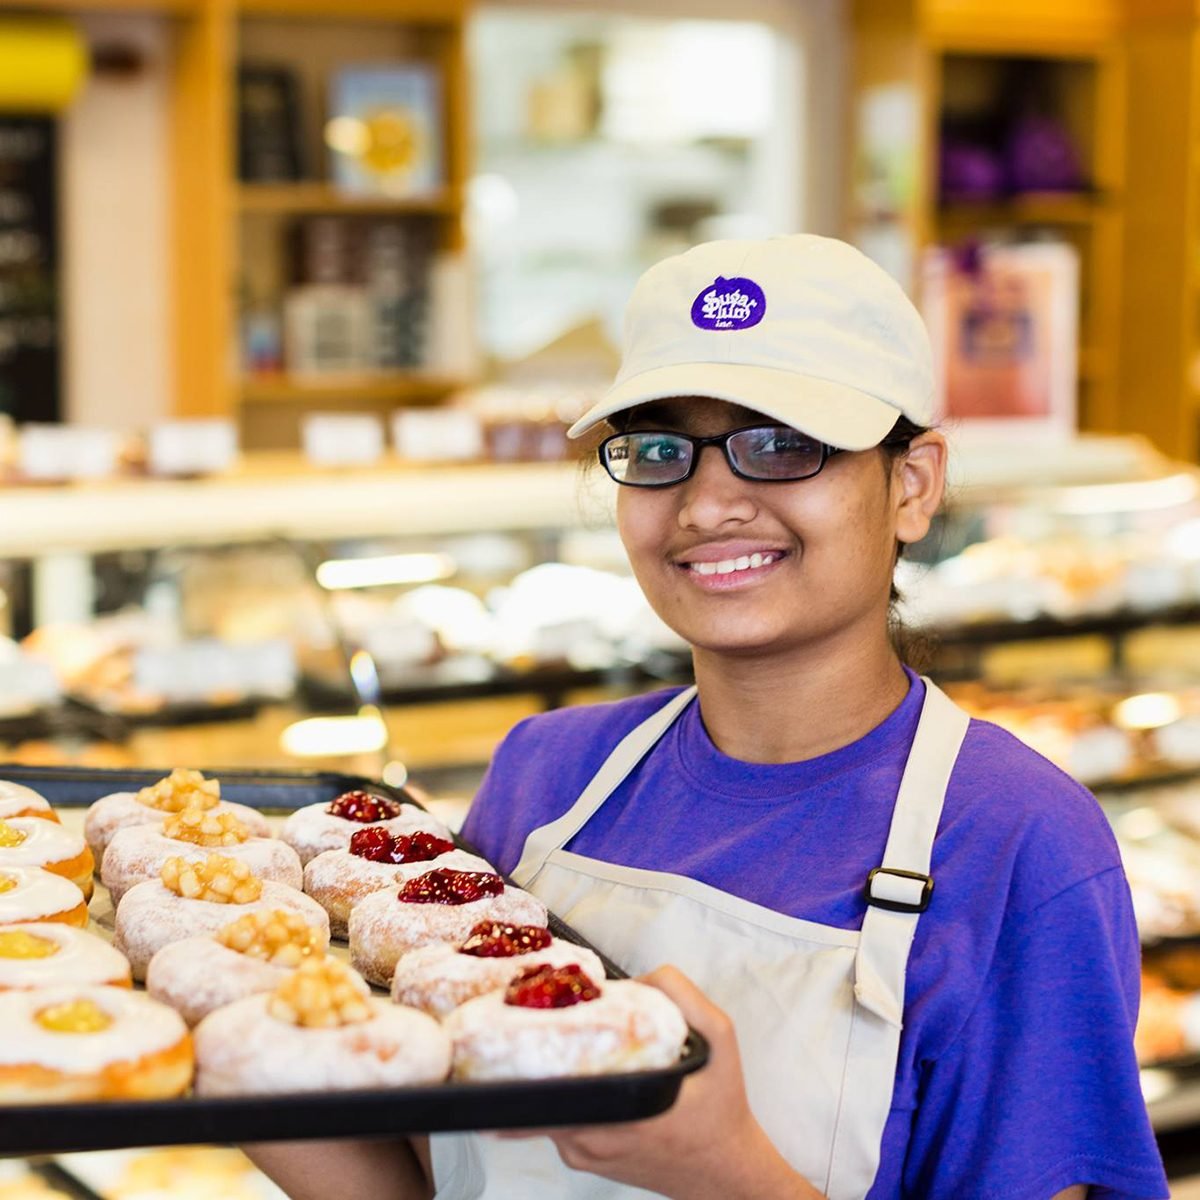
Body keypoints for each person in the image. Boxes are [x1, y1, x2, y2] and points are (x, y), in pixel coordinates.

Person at [246, 235, 1170, 1200]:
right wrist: (243, 1056)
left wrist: (726, 1174)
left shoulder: (1019, 842)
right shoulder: (548, 774)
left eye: (781, 443)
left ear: (913, 484)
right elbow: (444, 1179)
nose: (706, 502)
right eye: (657, 450)